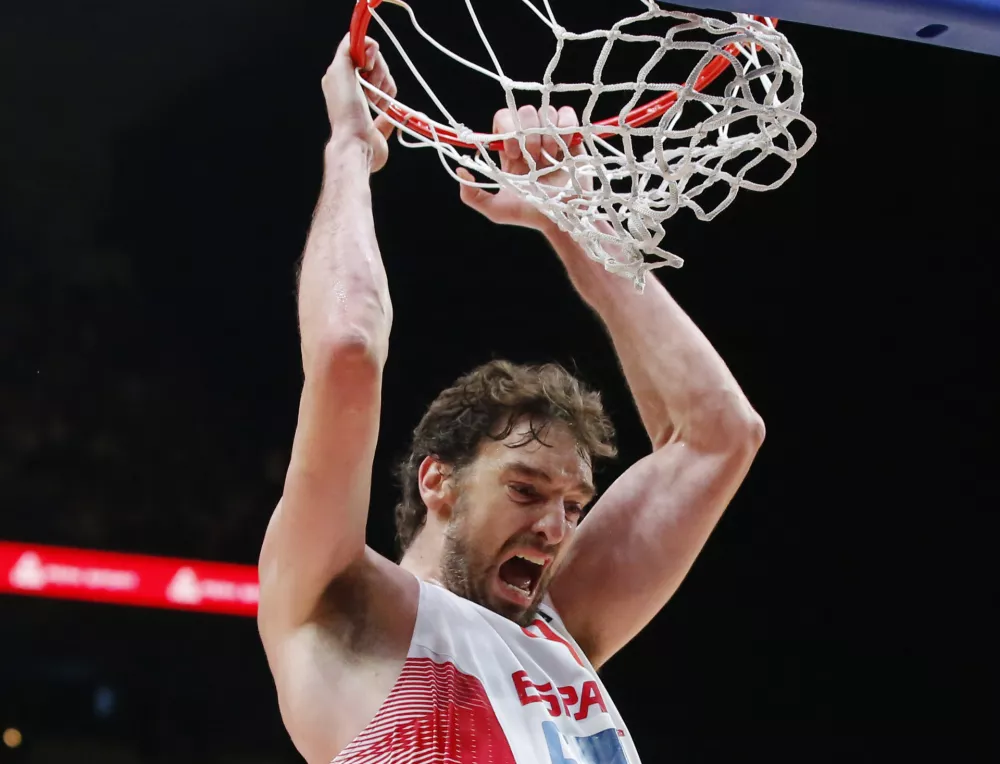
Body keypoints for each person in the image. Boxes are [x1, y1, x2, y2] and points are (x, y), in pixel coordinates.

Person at [257, 34, 765, 764]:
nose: (556, 528)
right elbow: (347, 351)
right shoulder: (343, 606)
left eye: (573, 505)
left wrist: (574, 222)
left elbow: (721, 434)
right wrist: (350, 149)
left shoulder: (561, 626)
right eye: (527, 489)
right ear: (438, 481)